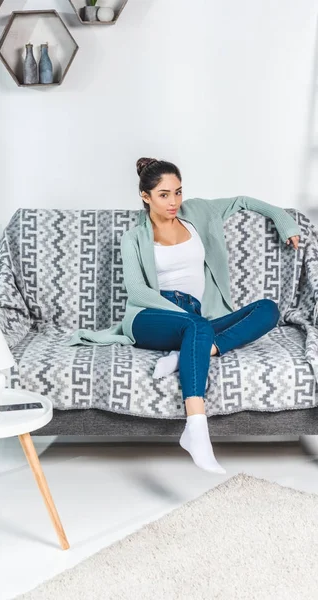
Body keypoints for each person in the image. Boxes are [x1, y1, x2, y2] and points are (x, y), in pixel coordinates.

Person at [63, 157, 301, 475]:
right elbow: (137, 291)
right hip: (149, 316)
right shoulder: (133, 238)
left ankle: (188, 353)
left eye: (177, 192)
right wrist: (189, 319)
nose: (173, 201)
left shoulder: (199, 213)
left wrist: (286, 223)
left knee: (268, 309)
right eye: (164, 194)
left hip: (195, 320)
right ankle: (197, 430)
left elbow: (244, 201)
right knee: (196, 325)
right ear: (145, 196)